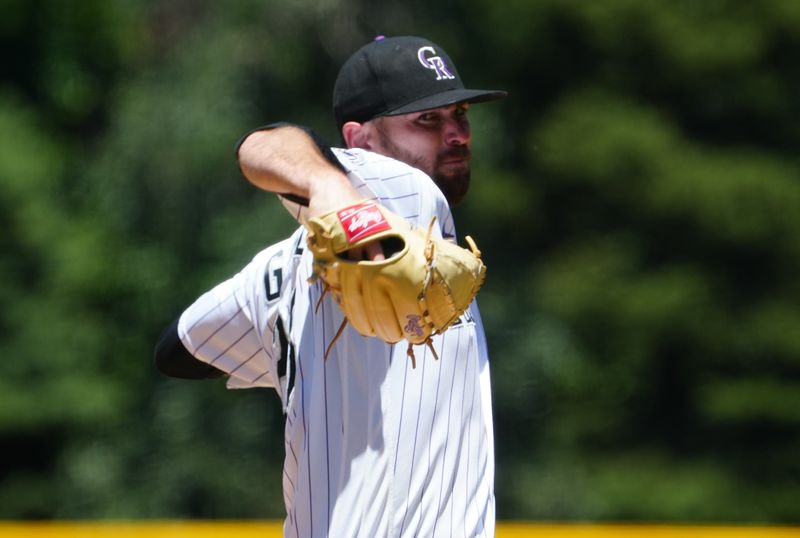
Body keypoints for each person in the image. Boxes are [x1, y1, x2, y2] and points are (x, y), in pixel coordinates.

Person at [154, 35, 506, 537]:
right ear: (358, 142)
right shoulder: (406, 189)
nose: (456, 134)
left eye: (460, 114)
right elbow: (263, 144)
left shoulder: (273, 272)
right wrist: (334, 190)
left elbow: (177, 351)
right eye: (427, 120)